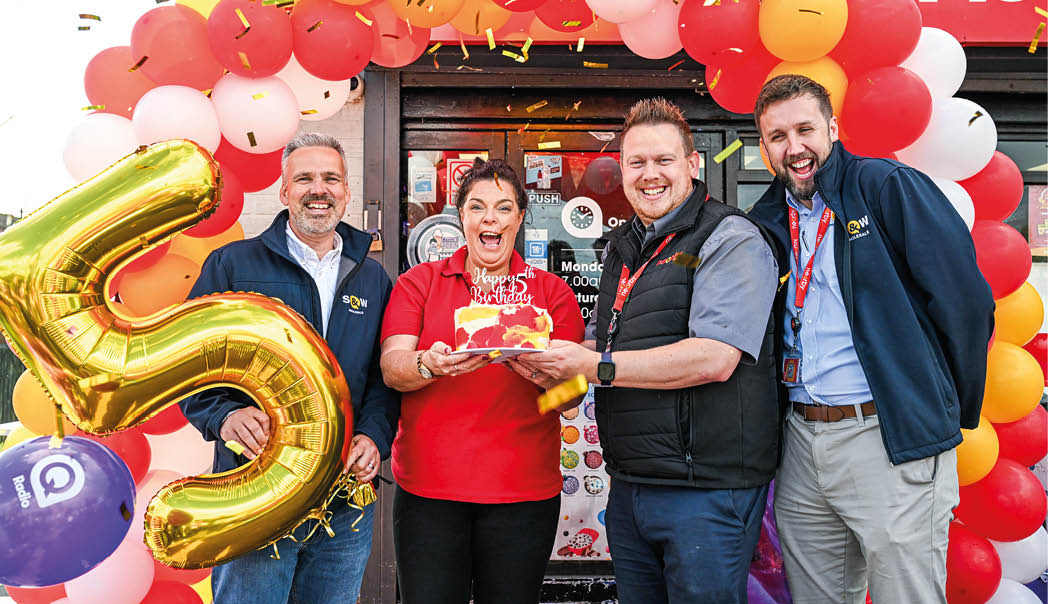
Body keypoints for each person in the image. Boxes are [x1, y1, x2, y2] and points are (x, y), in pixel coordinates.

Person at [519, 98, 782, 603]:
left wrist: (594, 365)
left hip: (707, 490)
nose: (650, 174)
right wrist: (548, 371)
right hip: (632, 484)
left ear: (692, 164)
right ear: (621, 170)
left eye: (663, 161)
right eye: (637, 163)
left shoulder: (730, 237)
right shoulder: (624, 245)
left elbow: (715, 357)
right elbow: (603, 347)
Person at [747, 75, 995, 604]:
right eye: (777, 136)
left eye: (805, 129)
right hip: (800, 441)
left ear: (833, 128)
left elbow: (966, 303)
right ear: (764, 146)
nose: (795, 148)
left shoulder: (885, 186)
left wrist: (940, 407)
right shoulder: (765, 219)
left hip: (885, 437)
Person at [179, 132, 400, 604]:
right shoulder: (232, 266)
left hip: (344, 502)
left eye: (330, 179)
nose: (318, 189)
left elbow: (382, 379)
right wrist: (224, 417)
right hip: (255, 492)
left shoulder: (372, 276)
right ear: (284, 191)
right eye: (304, 178)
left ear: (345, 192)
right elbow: (188, 363)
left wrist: (374, 437)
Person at [379, 158, 585, 604]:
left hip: (524, 495)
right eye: (477, 207)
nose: (490, 218)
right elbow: (393, 367)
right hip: (429, 492)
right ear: (462, 217)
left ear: (520, 218)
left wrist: (537, 371)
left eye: (504, 207)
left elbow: (570, 400)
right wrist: (429, 365)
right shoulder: (420, 282)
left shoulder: (552, 294)